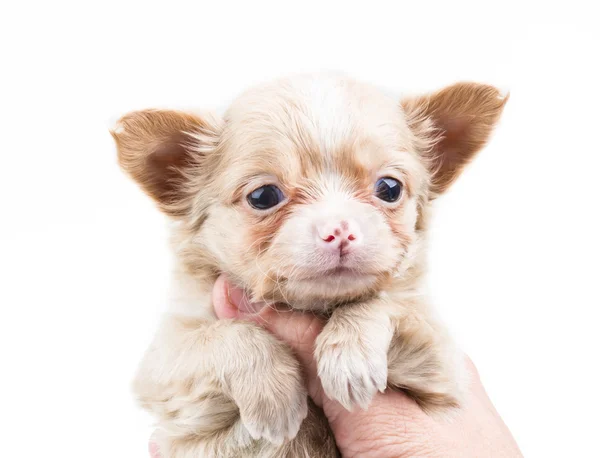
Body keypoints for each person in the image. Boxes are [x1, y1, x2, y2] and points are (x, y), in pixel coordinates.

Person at [150, 275, 522, 458]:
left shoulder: (399, 311)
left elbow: (439, 374)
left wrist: (374, 318)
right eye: (265, 198)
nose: (339, 229)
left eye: (386, 190)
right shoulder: (194, 308)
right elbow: (158, 378)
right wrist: (236, 350)